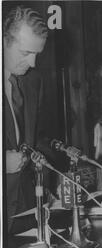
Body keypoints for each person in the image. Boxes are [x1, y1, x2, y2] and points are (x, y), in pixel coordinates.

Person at [3, 6, 49, 234]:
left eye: (37, 54)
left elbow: (35, 139)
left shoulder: (32, 81)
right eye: (25, 53)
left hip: (26, 209)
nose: (32, 63)